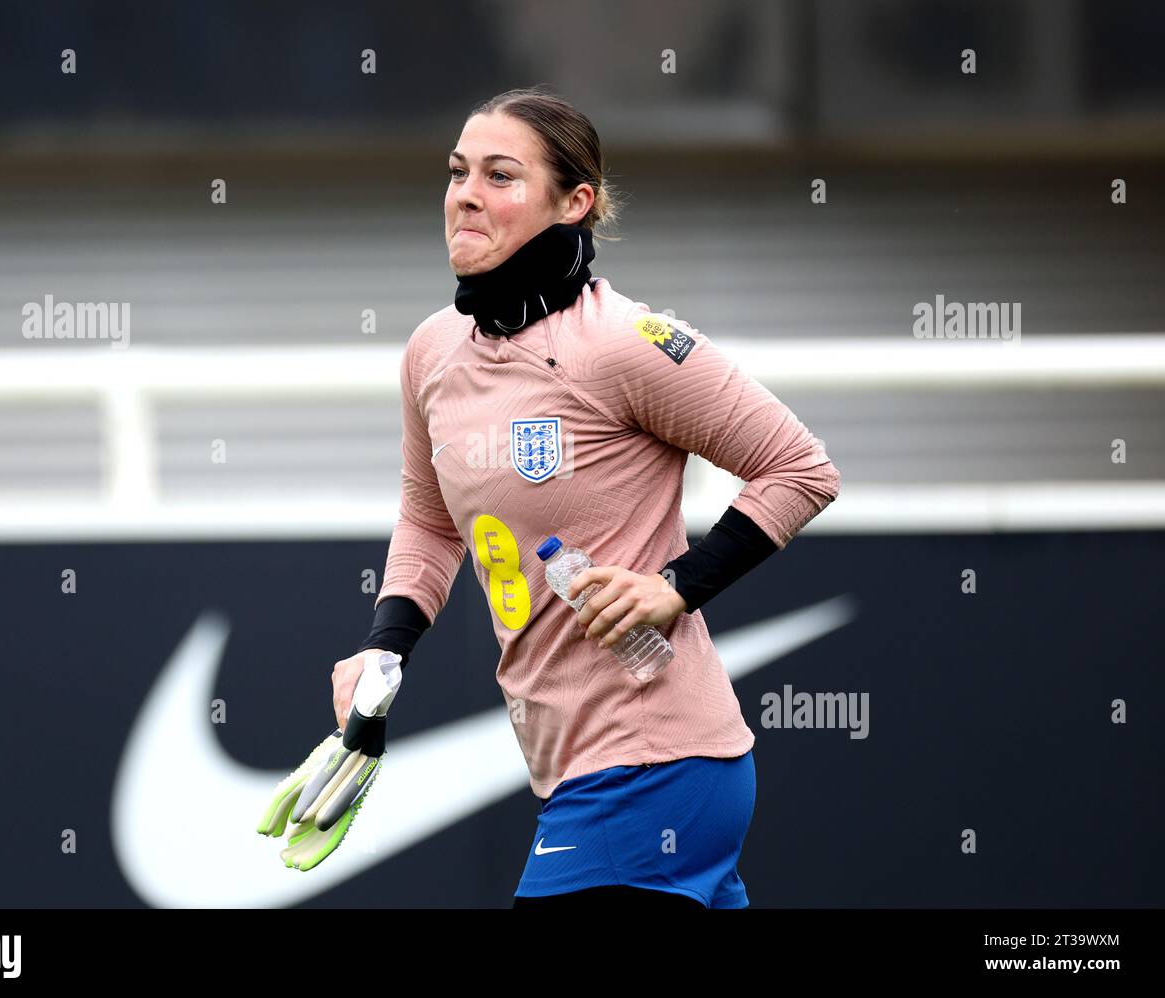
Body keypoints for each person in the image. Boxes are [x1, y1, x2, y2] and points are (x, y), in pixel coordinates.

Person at [332, 87, 841, 909]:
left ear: (576, 203)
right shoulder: (432, 353)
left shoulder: (623, 343)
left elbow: (800, 467)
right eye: (459, 171)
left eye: (501, 175)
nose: (465, 192)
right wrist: (384, 651)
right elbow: (429, 523)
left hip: (651, 764)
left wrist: (671, 588)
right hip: (590, 767)